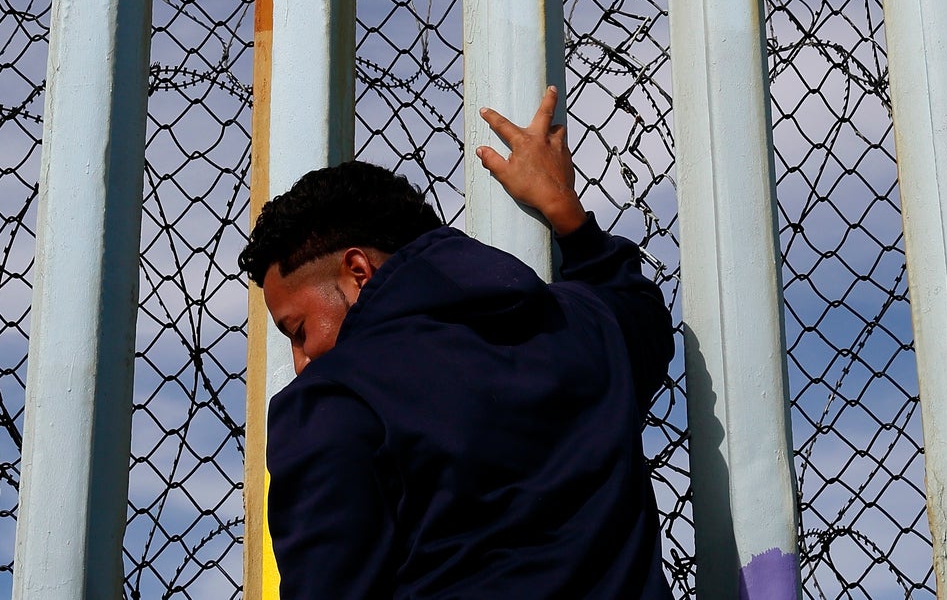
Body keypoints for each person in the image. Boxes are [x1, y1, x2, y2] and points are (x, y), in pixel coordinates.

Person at [239, 86, 672, 599]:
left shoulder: (334, 402)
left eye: (299, 330)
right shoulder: (578, 329)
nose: (301, 362)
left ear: (357, 271)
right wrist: (564, 211)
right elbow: (642, 315)